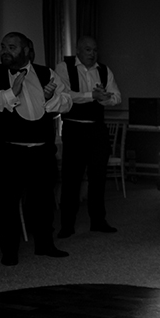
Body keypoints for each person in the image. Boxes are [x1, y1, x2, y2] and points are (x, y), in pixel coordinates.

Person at [0, 32, 72, 266]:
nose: (5, 51)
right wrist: (11, 93)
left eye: (11, 47)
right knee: (6, 203)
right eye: (3, 46)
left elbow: (68, 101)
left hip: (42, 151)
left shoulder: (47, 73)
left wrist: (51, 99)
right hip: (9, 153)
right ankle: (9, 251)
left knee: (43, 201)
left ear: (27, 50)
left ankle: (44, 245)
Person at [57, 36, 121, 238]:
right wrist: (90, 96)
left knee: (98, 178)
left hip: (97, 130)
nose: (92, 54)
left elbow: (117, 97)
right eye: (87, 50)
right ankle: (67, 224)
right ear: (78, 50)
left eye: (94, 50)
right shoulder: (64, 67)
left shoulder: (104, 70)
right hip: (74, 130)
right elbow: (65, 95)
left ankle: (98, 221)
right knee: (71, 179)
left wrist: (104, 99)